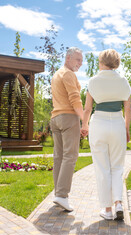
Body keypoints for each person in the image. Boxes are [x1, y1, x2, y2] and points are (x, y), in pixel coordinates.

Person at [81, 49, 131, 220]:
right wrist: (126, 129)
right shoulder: (123, 82)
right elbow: (127, 109)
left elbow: (88, 108)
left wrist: (84, 125)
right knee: (117, 166)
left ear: (103, 62)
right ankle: (118, 203)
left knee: (102, 167)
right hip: (117, 123)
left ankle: (107, 210)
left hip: (99, 124)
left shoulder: (93, 81)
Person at [50, 47, 84, 212]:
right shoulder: (69, 74)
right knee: (70, 156)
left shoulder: (57, 74)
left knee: (59, 157)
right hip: (68, 118)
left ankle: (58, 194)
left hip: (55, 118)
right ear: (68, 58)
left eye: (82, 60)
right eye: (78, 59)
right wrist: (85, 120)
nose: (80, 63)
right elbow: (75, 99)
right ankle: (62, 196)